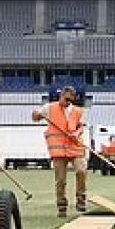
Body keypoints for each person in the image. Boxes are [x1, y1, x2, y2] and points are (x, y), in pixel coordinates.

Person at [32, 86, 88, 217]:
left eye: (71, 100)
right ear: (61, 95)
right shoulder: (49, 108)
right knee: (61, 180)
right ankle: (61, 206)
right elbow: (35, 117)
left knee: (81, 171)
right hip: (58, 150)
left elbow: (81, 127)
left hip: (75, 148)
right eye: (66, 99)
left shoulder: (78, 111)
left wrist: (75, 133)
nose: (68, 102)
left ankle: (81, 200)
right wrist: (36, 114)